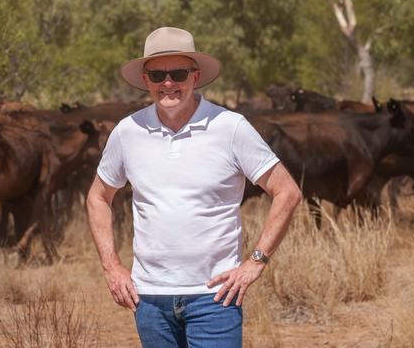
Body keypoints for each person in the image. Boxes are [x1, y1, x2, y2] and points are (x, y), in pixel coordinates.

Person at [87, 26, 301, 347]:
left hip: (215, 298)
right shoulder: (127, 131)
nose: (168, 83)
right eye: (158, 76)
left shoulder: (230, 128)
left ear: (196, 76)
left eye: (178, 73)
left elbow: (287, 192)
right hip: (149, 299)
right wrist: (111, 266)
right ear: (145, 81)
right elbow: (98, 197)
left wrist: (255, 261)